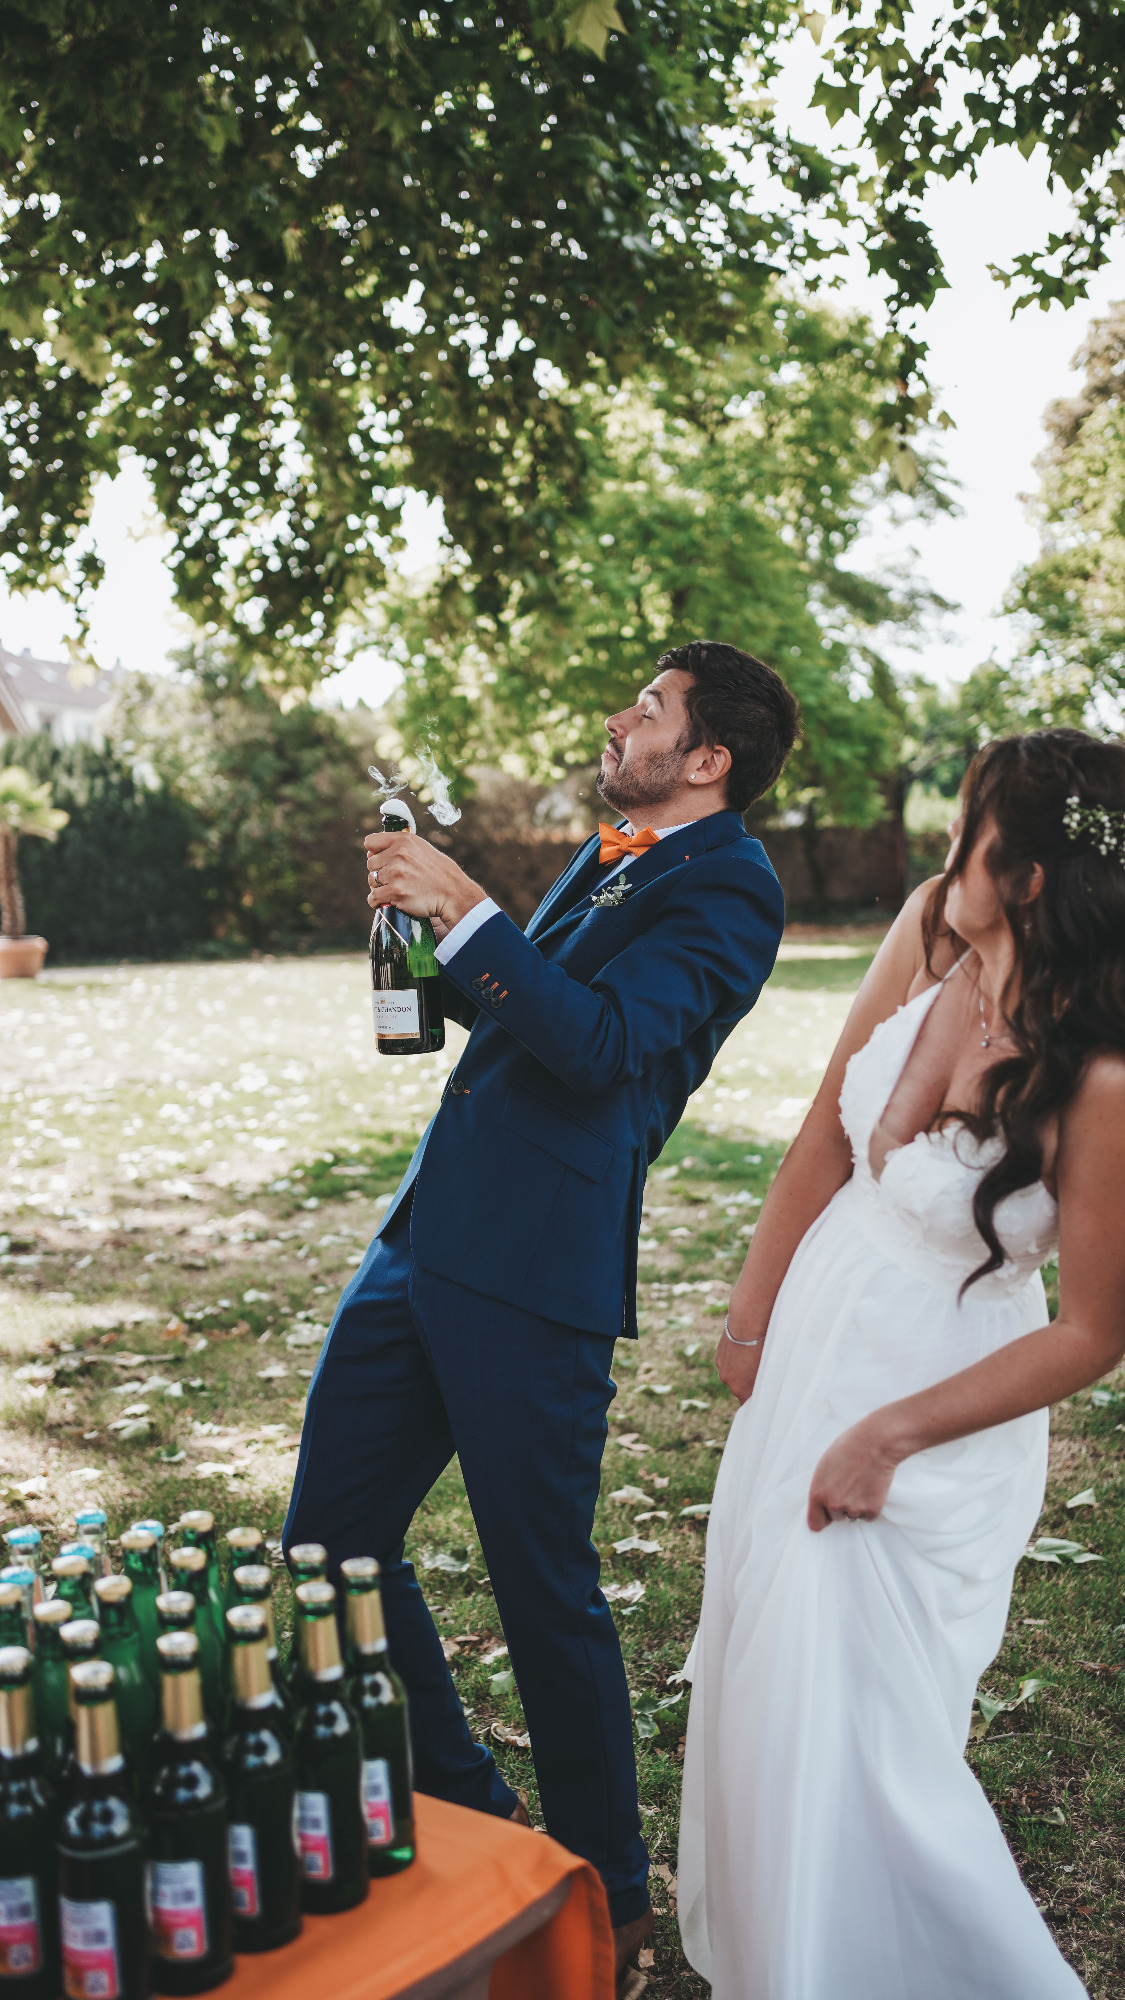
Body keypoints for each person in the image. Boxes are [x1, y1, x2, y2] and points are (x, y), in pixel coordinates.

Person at [283, 640, 799, 1979]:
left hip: (535, 1267)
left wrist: (465, 905)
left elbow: (602, 1046)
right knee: (329, 1546)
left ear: (709, 757)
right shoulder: (617, 843)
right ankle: (468, 1803)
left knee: (540, 1589)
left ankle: (608, 1893)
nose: (619, 716)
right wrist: (421, 933)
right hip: (424, 1233)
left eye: (651, 706)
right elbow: (519, 1008)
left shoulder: (734, 887)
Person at [679, 726, 1125, 1999]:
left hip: (934, 1387)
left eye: (968, 830)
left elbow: (1093, 1331)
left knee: (859, 1718)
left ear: (1028, 875)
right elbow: (828, 1132)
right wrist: (754, 1314)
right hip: (823, 1327)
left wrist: (890, 1433)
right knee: (768, 1658)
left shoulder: (1100, 1075)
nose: (944, 850)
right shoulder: (939, 931)